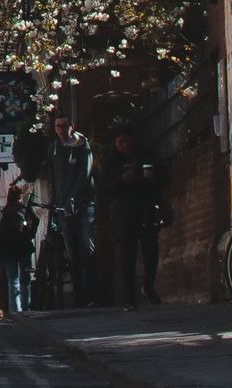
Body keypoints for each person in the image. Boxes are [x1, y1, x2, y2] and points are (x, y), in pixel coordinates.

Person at [105, 127, 166, 308]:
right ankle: (129, 299)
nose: (124, 145)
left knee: (150, 250)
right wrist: (121, 180)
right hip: (123, 213)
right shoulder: (112, 161)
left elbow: (164, 177)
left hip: (146, 208)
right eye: (120, 142)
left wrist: (153, 177)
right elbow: (104, 188)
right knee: (126, 257)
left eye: (127, 141)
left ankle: (148, 285)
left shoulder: (147, 154)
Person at [48, 112, 98, 306]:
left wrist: (74, 198)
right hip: (63, 207)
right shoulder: (54, 149)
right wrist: (58, 201)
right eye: (57, 126)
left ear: (72, 126)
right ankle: (79, 298)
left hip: (83, 205)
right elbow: (55, 177)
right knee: (73, 253)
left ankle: (94, 295)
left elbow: (84, 175)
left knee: (88, 249)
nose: (60, 130)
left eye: (64, 126)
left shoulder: (81, 145)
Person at [0, 180, 35, 316]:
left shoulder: (4, 212)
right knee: (26, 280)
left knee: (13, 281)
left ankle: (15, 311)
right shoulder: (24, 210)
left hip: (8, 251)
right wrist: (30, 234)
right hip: (23, 248)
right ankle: (26, 309)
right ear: (20, 196)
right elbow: (35, 221)